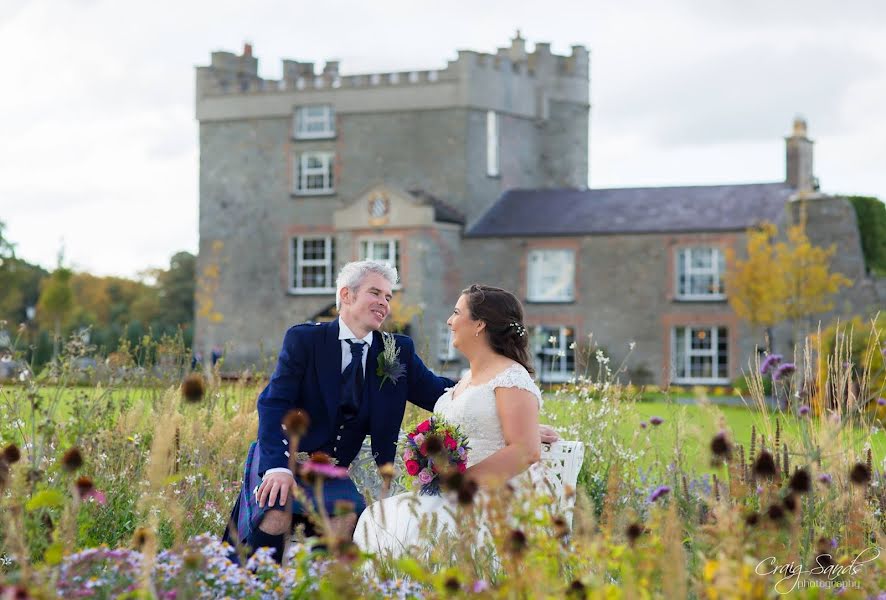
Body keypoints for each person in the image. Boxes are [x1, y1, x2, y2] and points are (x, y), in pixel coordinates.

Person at [223, 263, 556, 563]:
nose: (385, 302)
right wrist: (276, 468)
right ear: (346, 295)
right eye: (375, 293)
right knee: (275, 513)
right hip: (284, 459)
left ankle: (322, 589)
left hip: (332, 472)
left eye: (388, 296)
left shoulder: (395, 350)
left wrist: (511, 416)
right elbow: (273, 403)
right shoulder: (305, 340)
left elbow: (441, 392)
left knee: (346, 521)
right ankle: (253, 588)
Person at [354, 284, 548, 555]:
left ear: (479, 324)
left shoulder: (511, 377)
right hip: (449, 494)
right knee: (379, 519)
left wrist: (459, 484)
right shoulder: (466, 380)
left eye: (457, 312)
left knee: (406, 528)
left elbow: (525, 450)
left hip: (488, 495)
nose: (449, 320)